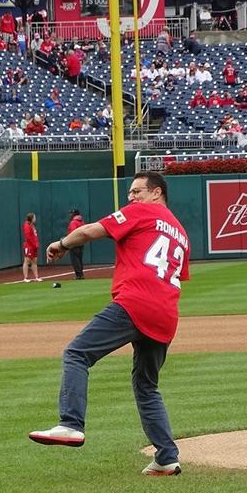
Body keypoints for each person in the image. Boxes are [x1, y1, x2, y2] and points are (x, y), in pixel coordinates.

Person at [29, 171, 190, 477]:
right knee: (146, 386)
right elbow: (176, 274)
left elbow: (91, 231)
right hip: (167, 313)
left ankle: (70, 424)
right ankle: (167, 456)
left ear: (156, 193)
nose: (131, 197)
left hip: (135, 301)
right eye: (130, 193)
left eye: (137, 191)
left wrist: (62, 243)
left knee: (77, 354)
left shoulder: (143, 211)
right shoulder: (180, 231)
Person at [67, 208, 85, 279]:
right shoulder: (82, 221)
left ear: (74, 214)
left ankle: (79, 275)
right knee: (79, 258)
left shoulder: (73, 222)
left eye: (71, 213)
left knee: (75, 259)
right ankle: (81, 274)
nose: (70, 215)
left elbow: (73, 232)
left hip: (74, 243)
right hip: (81, 242)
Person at [22, 213, 41, 283]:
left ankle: (36, 277)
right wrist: (34, 244)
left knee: (34, 261)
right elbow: (28, 237)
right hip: (29, 246)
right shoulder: (26, 225)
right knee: (27, 261)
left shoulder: (32, 226)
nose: (35, 219)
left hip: (34, 246)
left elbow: (35, 236)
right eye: (34, 217)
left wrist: (36, 244)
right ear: (31, 218)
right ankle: (25, 278)